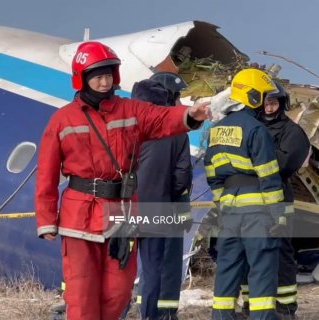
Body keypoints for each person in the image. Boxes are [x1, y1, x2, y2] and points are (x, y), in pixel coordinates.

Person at [35, 41, 210, 320]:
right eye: (97, 77)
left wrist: (189, 115)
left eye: (108, 76)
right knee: (81, 294)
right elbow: (46, 172)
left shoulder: (131, 110)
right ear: (82, 79)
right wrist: (46, 219)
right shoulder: (61, 120)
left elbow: (160, 118)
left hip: (120, 213)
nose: (104, 83)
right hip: (79, 214)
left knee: (118, 292)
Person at [204, 68, 285, 320]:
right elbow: (269, 175)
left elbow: (211, 173)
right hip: (258, 211)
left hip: (229, 210)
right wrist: (278, 215)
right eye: (263, 96)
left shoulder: (216, 130)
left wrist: (223, 204)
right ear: (253, 96)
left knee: (227, 268)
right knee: (261, 269)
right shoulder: (256, 129)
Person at [239, 81, 310, 320]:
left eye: (273, 102)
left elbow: (284, 164)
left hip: (278, 199)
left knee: (280, 252)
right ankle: (251, 305)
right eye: (265, 103)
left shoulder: (293, 133)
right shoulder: (251, 127)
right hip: (249, 199)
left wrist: (252, 162)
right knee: (249, 252)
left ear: (282, 103)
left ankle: (285, 307)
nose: (269, 108)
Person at [128, 72, 193, 320]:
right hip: (159, 207)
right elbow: (182, 175)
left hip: (123, 206)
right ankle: (151, 316)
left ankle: (118, 312)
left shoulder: (125, 125)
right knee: (154, 266)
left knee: (119, 265)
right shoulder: (177, 132)